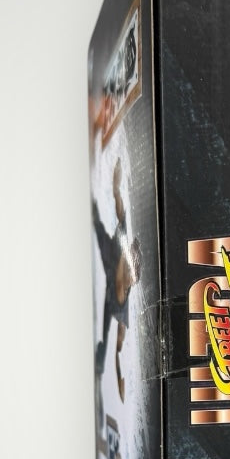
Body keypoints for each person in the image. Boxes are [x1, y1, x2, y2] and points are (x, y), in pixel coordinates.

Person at [93, 159, 141, 402]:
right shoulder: (122, 237)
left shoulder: (122, 304)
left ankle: (99, 370)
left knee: (105, 342)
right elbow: (116, 197)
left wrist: (120, 377)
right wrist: (115, 182)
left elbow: (119, 348)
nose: (131, 279)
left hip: (110, 298)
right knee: (94, 217)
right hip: (108, 254)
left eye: (132, 278)